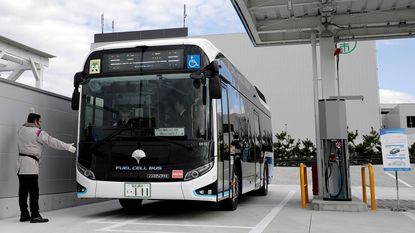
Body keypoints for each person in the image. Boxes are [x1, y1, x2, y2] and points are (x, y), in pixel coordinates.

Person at [17, 113, 76, 223]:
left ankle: (24, 214)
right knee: (34, 191)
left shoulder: (21, 130)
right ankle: (35, 215)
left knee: (23, 190)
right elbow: (52, 141)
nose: (41, 123)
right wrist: (67, 147)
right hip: (31, 164)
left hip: (20, 164)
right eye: (40, 121)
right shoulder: (38, 132)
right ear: (36, 121)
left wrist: (32, 113)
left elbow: (26, 125)